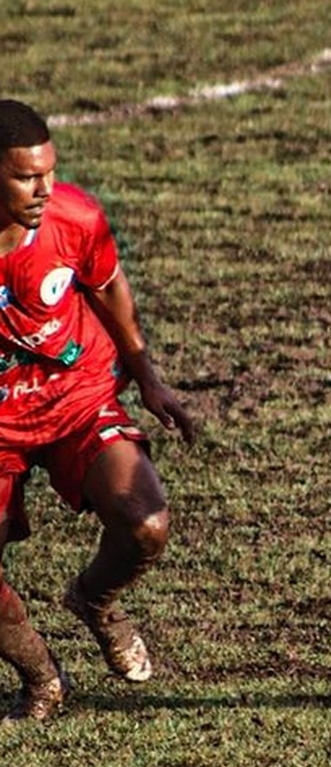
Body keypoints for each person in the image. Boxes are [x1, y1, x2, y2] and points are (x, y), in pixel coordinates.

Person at [0, 98, 195, 721]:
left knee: (147, 524)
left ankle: (94, 601)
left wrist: (148, 377)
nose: (44, 188)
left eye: (49, 172)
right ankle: (40, 674)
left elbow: (107, 284)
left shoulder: (73, 217)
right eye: (26, 176)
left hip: (74, 397)